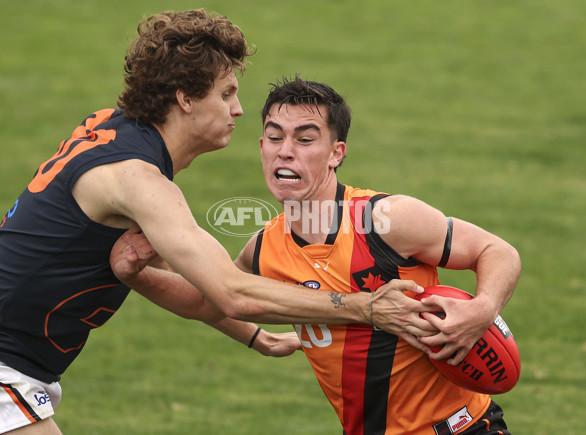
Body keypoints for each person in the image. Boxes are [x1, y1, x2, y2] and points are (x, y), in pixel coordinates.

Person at [0, 11, 428, 435]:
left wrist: (255, 337)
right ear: (186, 98)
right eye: (226, 94)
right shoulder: (139, 181)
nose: (239, 110)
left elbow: (198, 278)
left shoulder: (111, 134)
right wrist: (364, 307)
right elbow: (231, 290)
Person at [111, 76, 521, 434]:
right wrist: (138, 276)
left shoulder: (386, 221)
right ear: (261, 146)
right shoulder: (264, 250)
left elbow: (495, 250)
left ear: (335, 153)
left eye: (305, 139)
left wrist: (483, 309)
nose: (285, 151)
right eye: (274, 137)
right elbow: (210, 301)